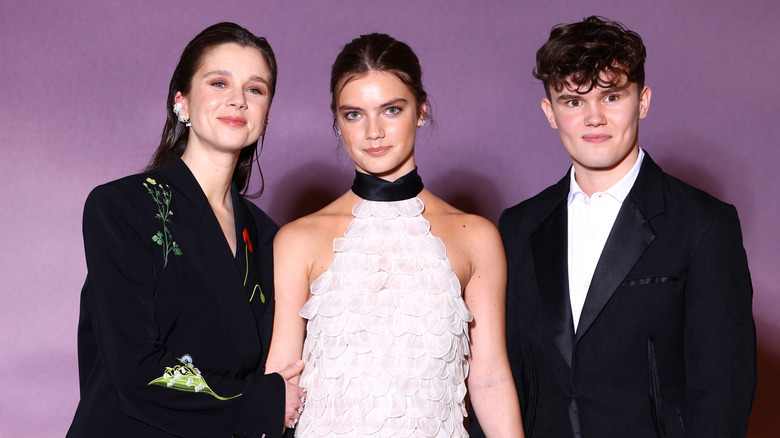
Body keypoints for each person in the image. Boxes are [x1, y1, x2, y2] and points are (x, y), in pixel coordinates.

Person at [473, 16, 756, 437]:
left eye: (611, 97)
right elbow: (499, 374)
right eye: (573, 101)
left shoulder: (704, 224)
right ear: (550, 112)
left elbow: (723, 393)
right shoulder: (518, 227)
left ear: (642, 102)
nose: (593, 118)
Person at [265, 33, 523, 437]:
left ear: (421, 110)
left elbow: (490, 379)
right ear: (337, 121)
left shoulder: (477, 236)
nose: (373, 132)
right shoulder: (298, 239)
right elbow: (279, 379)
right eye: (354, 114)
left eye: (390, 110)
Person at [67, 22, 305, 438]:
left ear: (265, 115)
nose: (237, 100)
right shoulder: (122, 207)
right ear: (183, 102)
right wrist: (264, 401)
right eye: (218, 82)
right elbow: (137, 369)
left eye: (256, 89)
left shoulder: (270, 239)